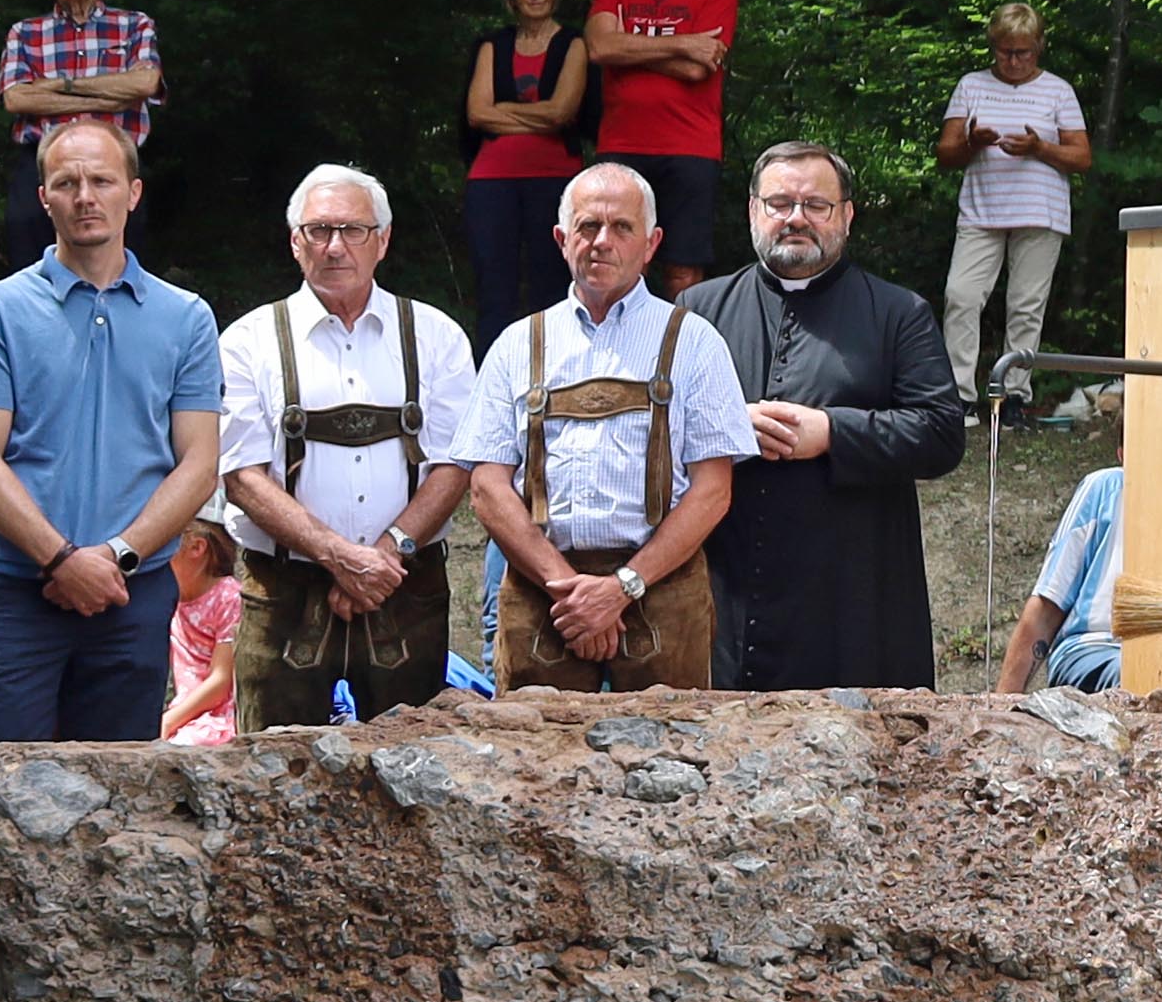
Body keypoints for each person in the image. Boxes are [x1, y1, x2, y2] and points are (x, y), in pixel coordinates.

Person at [0, 111, 226, 1002]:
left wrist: (121, 555)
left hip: (129, 598)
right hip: (17, 588)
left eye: (103, 179)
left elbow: (198, 459)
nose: (85, 195)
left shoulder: (183, 317)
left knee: (103, 806)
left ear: (133, 192)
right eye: (65, 181)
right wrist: (57, 554)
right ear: (43, 197)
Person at [450, 162, 752, 692]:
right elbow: (486, 487)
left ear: (652, 243)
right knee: (531, 763)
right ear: (561, 239)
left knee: (670, 762)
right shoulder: (516, 345)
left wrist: (622, 588)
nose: (601, 242)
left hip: (661, 590)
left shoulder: (696, 342)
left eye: (621, 227)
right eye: (588, 226)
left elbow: (713, 491)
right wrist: (568, 588)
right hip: (544, 594)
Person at [686, 141, 963, 688]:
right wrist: (728, 424)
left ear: (847, 216)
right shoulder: (699, 312)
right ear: (752, 211)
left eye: (816, 205)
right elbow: (656, 432)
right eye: (780, 203)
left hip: (852, 598)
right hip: (728, 593)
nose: (796, 218)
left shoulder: (898, 313)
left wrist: (833, 432)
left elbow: (941, 432)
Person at [218, 165, 478, 733]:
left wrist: (386, 553)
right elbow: (241, 476)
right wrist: (340, 556)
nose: (335, 246)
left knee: (414, 775)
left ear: (383, 240)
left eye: (353, 230)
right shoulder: (247, 341)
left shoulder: (436, 336)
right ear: (295, 242)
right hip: (283, 594)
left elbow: (455, 463)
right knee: (269, 777)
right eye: (318, 230)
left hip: (406, 589)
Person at [586, 0, 741, 292]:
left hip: (690, 147)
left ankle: (678, 352)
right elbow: (601, 46)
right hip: (621, 145)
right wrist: (685, 42)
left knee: (682, 268)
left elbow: (699, 69)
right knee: (615, 259)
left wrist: (630, 48)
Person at [937, 2, 1091, 411]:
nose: (1014, 60)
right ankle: (959, 398)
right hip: (981, 212)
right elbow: (946, 153)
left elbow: (1082, 158)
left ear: (1039, 47)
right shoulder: (971, 85)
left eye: (1023, 52)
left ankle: (1014, 398)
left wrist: (1039, 147)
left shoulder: (1057, 90)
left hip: (1040, 212)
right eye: (1005, 51)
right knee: (961, 296)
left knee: (1025, 307)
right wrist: (973, 142)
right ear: (993, 47)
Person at [0, 0, 164, 264]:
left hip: (116, 162)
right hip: (42, 164)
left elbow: (145, 85)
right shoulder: (25, 33)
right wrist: (111, 94)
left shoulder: (134, 25)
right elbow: (17, 100)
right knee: (31, 268)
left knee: (121, 264)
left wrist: (58, 85)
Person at [461, 0, 596, 326]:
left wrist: (502, 111)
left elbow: (563, 112)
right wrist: (543, 117)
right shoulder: (492, 45)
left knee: (551, 281)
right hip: (491, 179)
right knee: (493, 284)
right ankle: (492, 373)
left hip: (555, 176)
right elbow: (476, 113)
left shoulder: (573, 44)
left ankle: (552, 376)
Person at [996, 465, 1127, 695]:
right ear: (1122, 453)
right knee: (1134, 674)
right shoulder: (1106, 488)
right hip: (1094, 649)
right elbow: (1047, 606)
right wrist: (1002, 710)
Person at [156, 524, 246, 741]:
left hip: (220, 717)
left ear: (197, 547)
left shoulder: (229, 598)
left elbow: (221, 682)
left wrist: (169, 720)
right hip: (185, 714)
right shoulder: (170, 599)